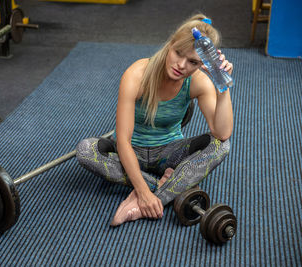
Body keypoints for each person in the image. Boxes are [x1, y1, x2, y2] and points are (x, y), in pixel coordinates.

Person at [76, 14, 233, 226]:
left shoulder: (198, 82)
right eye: (178, 53)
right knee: (86, 150)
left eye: (193, 62)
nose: (181, 65)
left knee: (221, 146)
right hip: (131, 152)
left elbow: (222, 133)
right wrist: (142, 191)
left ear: (202, 64)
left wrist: (222, 86)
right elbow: (122, 141)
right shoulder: (137, 75)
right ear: (171, 44)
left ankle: (147, 202)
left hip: (170, 155)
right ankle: (170, 185)